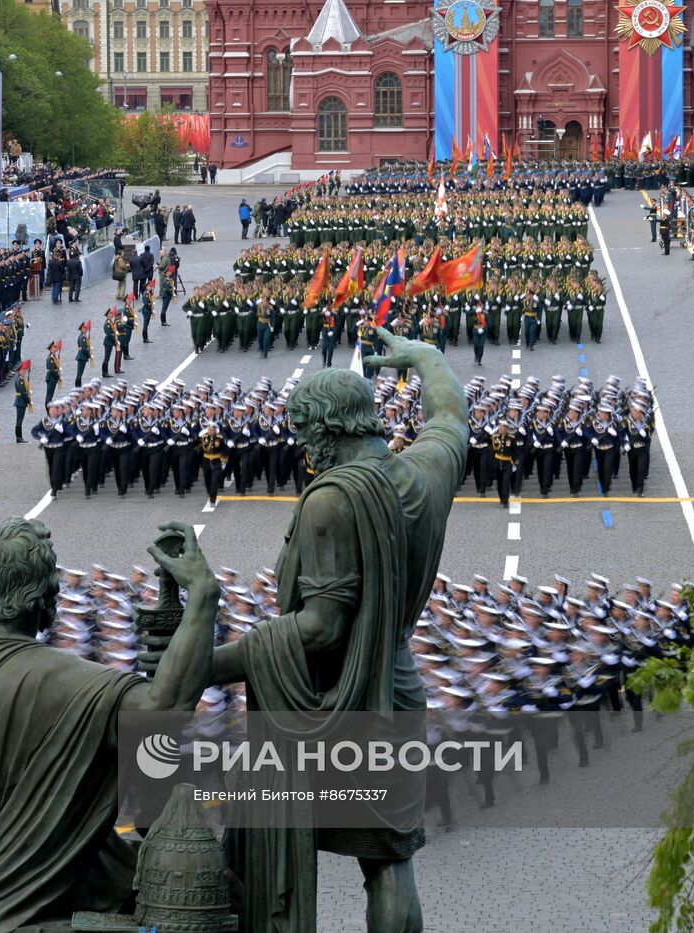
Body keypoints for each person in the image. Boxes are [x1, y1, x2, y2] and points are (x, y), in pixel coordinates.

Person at [212, 333, 468, 933]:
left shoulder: (331, 499)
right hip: (399, 688)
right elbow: (449, 410)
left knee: (281, 842)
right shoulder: (426, 473)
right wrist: (423, 354)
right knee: (388, 863)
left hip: (332, 704)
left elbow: (322, 629)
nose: (304, 449)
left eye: (305, 435)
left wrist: (214, 661)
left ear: (327, 430)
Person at [0, 519, 217, 930]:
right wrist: (203, 596)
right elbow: (166, 708)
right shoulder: (68, 680)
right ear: (40, 596)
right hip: (31, 885)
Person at [13, 359, 32, 443]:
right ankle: (19, 437)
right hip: (21, 401)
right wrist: (29, 401)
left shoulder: (21, 378)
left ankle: (19, 437)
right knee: (19, 420)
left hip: (21, 401)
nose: (25, 370)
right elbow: (23, 393)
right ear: (20, 370)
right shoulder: (20, 380)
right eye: (23, 369)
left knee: (20, 419)